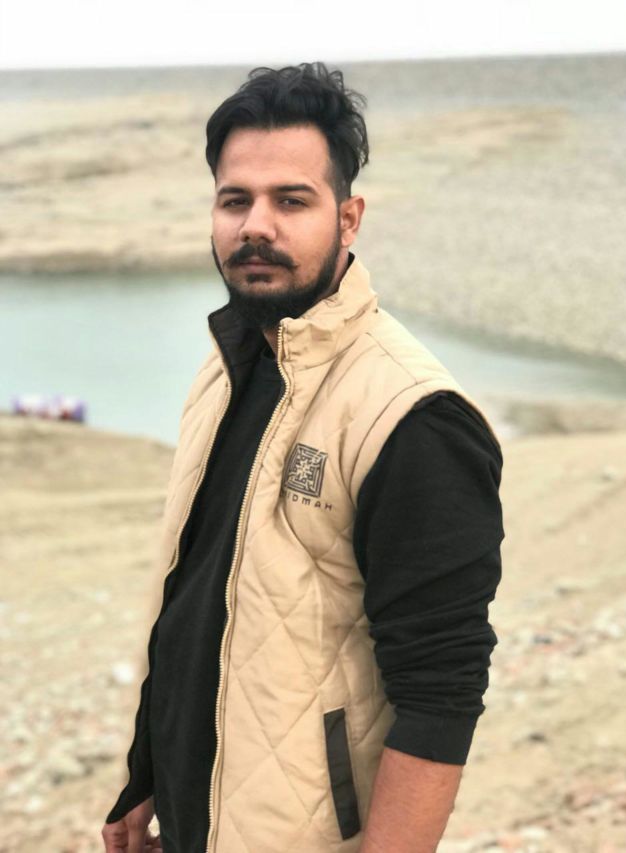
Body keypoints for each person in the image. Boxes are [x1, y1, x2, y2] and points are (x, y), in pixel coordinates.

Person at [102, 61, 504, 853]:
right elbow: (195, 595)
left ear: (348, 219)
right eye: (235, 200)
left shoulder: (412, 416)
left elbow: (442, 689)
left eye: (291, 200)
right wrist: (145, 773)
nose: (257, 225)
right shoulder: (226, 367)